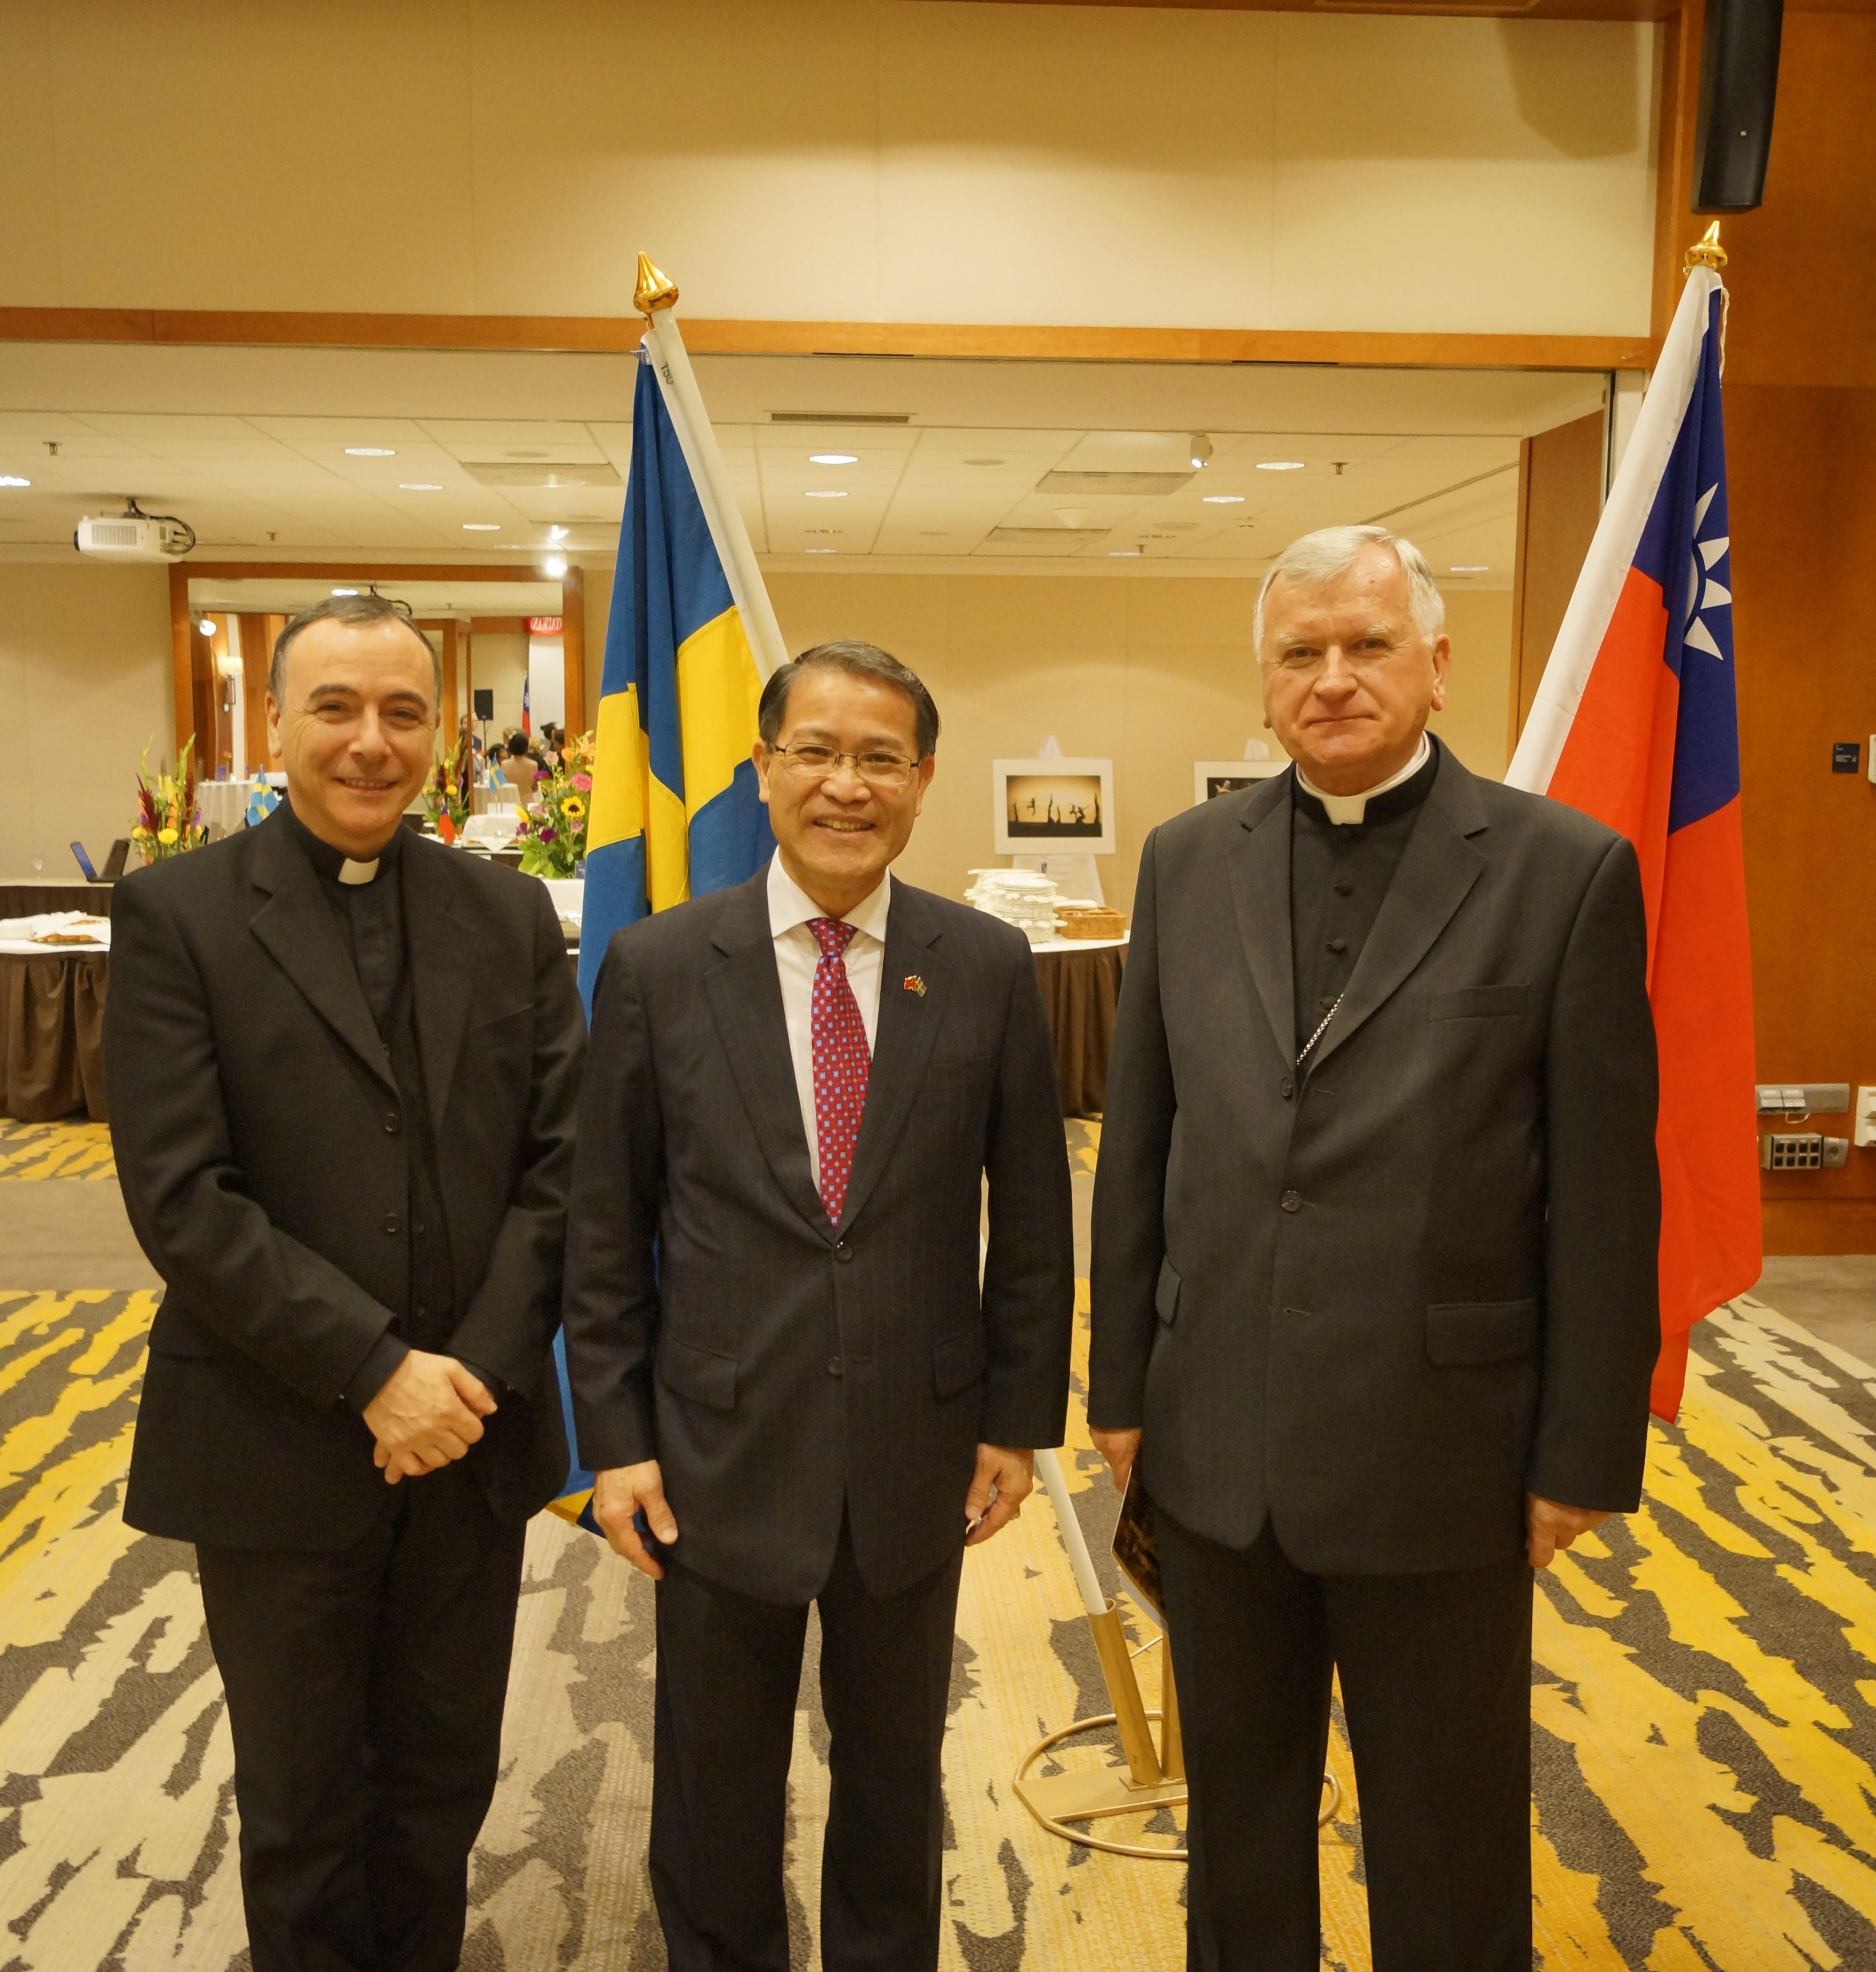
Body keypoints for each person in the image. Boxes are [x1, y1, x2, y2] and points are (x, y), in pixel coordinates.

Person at [1088, 525, 1660, 1972]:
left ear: (1437, 666)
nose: (1332, 678)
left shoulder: (1564, 872)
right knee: (1237, 1824)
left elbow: (1602, 1195)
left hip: (1444, 1454)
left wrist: (1579, 1450)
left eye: (1367, 645)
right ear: (1265, 678)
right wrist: (1118, 1389)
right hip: (1218, 1447)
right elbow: (1138, 1147)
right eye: (1300, 652)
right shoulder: (1181, 862)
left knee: (1448, 1832)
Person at [562, 639, 1075, 1972]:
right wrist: (612, 1439)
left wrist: (1017, 1418)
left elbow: (1028, 1219)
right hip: (713, 1453)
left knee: (895, 1779)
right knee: (714, 1786)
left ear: (922, 778)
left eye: (881, 757)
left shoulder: (985, 963)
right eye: (817, 752)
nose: (847, 784)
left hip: (917, 1451)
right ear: (764, 767)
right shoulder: (661, 964)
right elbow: (605, 1230)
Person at [105, 592, 587, 1972]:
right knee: (304, 1804)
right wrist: (378, 1370)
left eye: (401, 712)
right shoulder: (175, 913)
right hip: (276, 1429)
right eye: (334, 708)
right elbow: (182, 1199)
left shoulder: (503, 912)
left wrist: (470, 1376)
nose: (370, 743)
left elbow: (562, 1171)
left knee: (441, 1784)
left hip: (468, 1438)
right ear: (273, 723)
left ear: (439, 730)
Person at [499, 731, 539, 799]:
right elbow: (535, 788)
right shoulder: (534, 765)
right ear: (527, 747)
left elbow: (501, 785)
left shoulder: (504, 764)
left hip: (510, 801)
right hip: (528, 802)